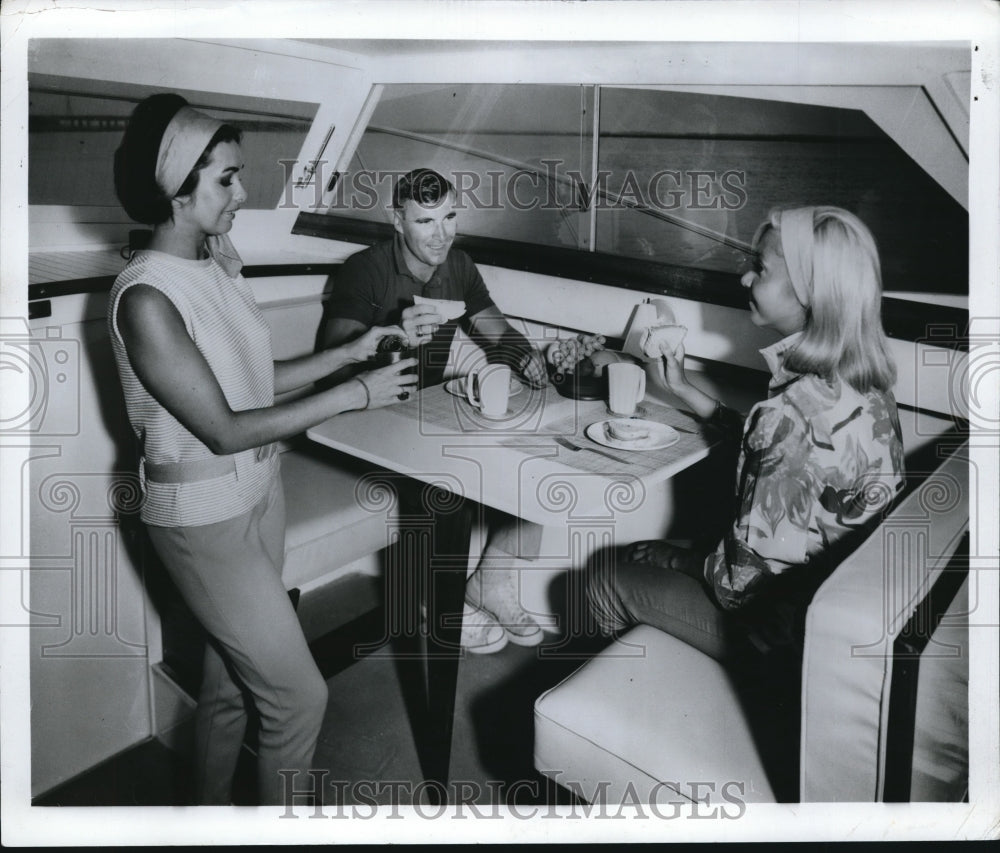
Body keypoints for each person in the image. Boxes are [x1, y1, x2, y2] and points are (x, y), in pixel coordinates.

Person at [108, 93, 418, 805]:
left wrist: (353, 354)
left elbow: (253, 383)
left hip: (258, 493)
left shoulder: (213, 267)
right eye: (226, 178)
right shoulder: (146, 299)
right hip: (201, 517)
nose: (243, 192)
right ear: (176, 191)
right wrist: (357, 395)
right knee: (299, 697)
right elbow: (220, 426)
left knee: (228, 687)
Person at [587, 205, 906, 663]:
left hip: (784, 636)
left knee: (604, 573)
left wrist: (673, 558)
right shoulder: (866, 383)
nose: (744, 279)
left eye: (760, 269)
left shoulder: (787, 414)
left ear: (810, 293)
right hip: (832, 603)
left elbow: (737, 583)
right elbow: (785, 453)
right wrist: (681, 389)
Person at [318, 168, 549, 653]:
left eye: (449, 217)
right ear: (396, 219)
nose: (441, 235)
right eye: (425, 221)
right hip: (361, 416)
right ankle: (435, 597)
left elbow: (499, 334)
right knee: (452, 473)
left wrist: (529, 358)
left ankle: (492, 577)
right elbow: (333, 366)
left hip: (418, 412)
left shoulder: (459, 267)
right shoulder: (366, 269)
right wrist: (393, 338)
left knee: (538, 456)